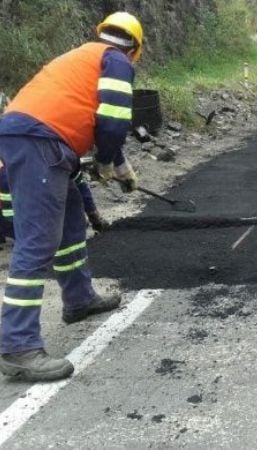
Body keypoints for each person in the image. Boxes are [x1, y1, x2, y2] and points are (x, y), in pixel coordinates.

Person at [0, 12, 143, 381]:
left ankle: (79, 299)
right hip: (39, 142)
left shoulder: (84, 56)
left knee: (70, 223)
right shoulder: (116, 61)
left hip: (40, 139)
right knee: (37, 242)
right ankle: (18, 345)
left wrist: (118, 166)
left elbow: (91, 118)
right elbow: (113, 119)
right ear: (136, 49)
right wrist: (108, 161)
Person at [0, 165, 111, 241]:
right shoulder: (7, 176)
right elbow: (11, 216)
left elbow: (80, 185)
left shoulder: (65, 158)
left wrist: (93, 216)